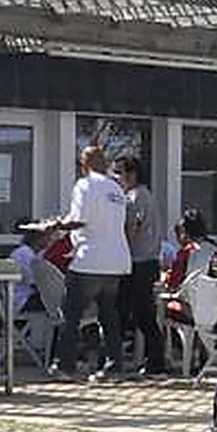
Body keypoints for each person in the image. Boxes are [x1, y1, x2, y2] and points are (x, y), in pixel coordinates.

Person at [52, 145, 131, 382]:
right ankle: (114, 367)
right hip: (117, 260)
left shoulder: (85, 185)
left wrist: (56, 225)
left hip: (90, 260)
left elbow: (79, 220)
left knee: (71, 314)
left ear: (83, 164)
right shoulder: (116, 188)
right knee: (109, 315)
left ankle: (66, 366)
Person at [112, 156, 168, 376]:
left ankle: (116, 361)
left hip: (137, 263)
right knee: (143, 313)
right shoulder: (146, 195)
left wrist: (118, 252)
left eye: (119, 172)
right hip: (147, 261)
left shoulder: (135, 198)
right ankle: (155, 360)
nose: (116, 177)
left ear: (132, 174)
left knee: (124, 311)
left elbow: (131, 229)